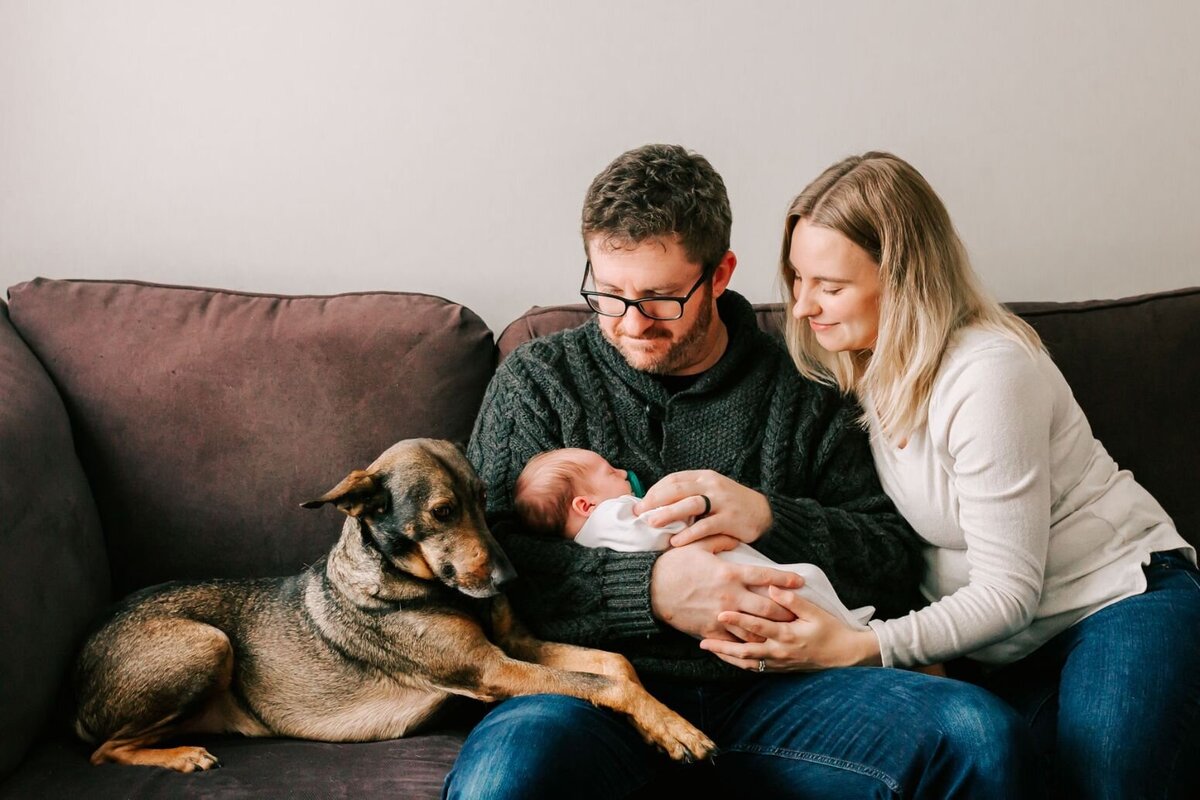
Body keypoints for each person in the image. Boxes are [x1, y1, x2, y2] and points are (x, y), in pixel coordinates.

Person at [445, 144, 1040, 799]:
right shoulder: (539, 382)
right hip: (595, 698)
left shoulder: (810, 383)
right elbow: (485, 579)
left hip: (788, 692)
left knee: (979, 735)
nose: (631, 324)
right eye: (609, 296)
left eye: (662, 299)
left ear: (720, 273)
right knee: (505, 775)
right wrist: (651, 589)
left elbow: (893, 562)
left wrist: (771, 516)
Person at [697, 150, 1200, 798]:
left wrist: (863, 645)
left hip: (1118, 599)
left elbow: (1010, 591)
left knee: (1107, 779)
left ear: (903, 279)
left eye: (829, 285)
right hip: (1010, 649)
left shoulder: (989, 374)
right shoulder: (861, 366)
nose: (800, 307)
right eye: (797, 277)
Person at [514, 447, 873, 630]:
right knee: (804, 579)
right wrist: (689, 511)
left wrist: (764, 513)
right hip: (733, 577)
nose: (623, 471)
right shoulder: (610, 516)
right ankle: (851, 627)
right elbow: (654, 529)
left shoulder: (595, 532)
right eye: (610, 471)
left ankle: (847, 625)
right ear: (584, 504)